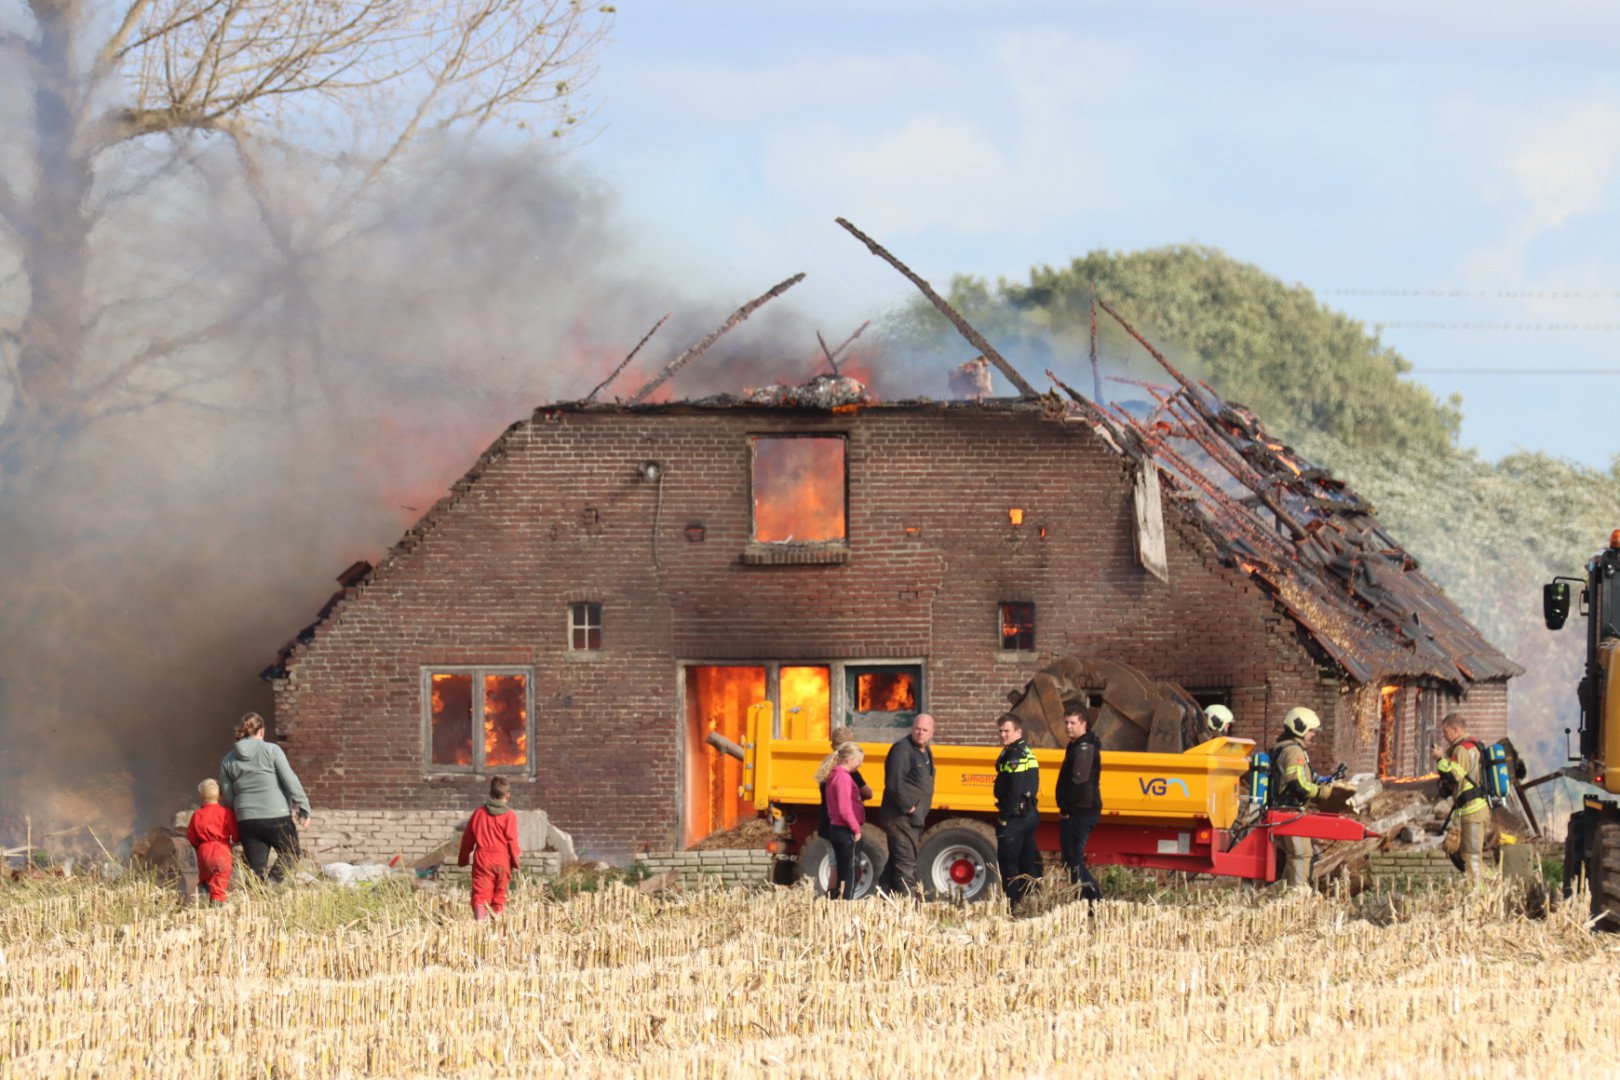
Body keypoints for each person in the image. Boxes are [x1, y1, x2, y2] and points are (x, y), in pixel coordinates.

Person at [219, 712, 311, 883]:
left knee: (255, 870)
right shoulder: (271, 750)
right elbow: (290, 780)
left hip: (246, 819)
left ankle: (260, 897)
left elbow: (228, 797)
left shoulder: (227, 760)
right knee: (291, 852)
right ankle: (272, 884)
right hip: (276, 815)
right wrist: (303, 807)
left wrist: (238, 818)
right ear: (261, 731)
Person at [878, 713, 935, 896]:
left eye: (925, 730)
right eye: (917, 729)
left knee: (895, 863)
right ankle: (909, 906)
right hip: (900, 818)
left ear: (931, 732)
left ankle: (882, 900)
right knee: (906, 864)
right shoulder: (902, 749)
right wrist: (909, 807)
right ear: (912, 728)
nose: (920, 733)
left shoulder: (926, 752)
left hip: (913, 820)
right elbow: (894, 783)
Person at [1270, 706, 1324, 889]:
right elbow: (1298, 785)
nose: (1313, 734)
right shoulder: (1294, 751)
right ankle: (1297, 894)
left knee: (1295, 855)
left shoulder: (1288, 748)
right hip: (1289, 810)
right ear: (1299, 728)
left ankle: (1283, 894)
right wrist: (1322, 792)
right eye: (1311, 730)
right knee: (1301, 854)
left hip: (1286, 810)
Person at [816, 727, 873, 896]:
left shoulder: (827, 766)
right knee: (844, 868)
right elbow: (867, 793)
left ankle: (831, 903)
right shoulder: (846, 772)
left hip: (827, 821)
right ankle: (835, 901)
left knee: (835, 864)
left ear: (832, 744)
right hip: (842, 822)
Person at [457, 776, 522, 920]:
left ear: (490, 793)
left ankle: (480, 923)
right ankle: (496, 923)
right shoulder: (510, 815)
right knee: (499, 894)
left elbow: (467, 838)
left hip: (483, 860)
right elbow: (512, 840)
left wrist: (463, 859)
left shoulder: (479, 813)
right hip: (502, 859)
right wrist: (516, 862)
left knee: (480, 894)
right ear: (507, 795)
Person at [1432, 712, 1488, 879]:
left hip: (1474, 812)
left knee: (1472, 857)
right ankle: (1488, 884)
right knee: (1461, 855)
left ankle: (1482, 893)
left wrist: (1440, 759)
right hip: (1469, 811)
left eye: (1445, 731)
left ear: (1455, 729)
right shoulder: (1469, 747)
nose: (1443, 735)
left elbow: (1452, 776)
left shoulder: (1463, 749)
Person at [994, 715, 1042, 907]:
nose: (1003, 734)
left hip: (1016, 817)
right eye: (1000, 731)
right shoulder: (1025, 751)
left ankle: (1012, 905)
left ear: (1018, 732)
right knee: (1026, 861)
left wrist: (1005, 817)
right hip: (1029, 813)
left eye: (1007, 731)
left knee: (1008, 863)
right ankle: (1031, 901)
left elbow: (1014, 789)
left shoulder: (1014, 754)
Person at [1055, 707, 1102, 900]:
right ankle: (1084, 899)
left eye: (1073, 723)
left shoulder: (1085, 747)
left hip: (1081, 811)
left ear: (1083, 724)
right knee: (1070, 857)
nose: (1068, 727)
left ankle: (1093, 899)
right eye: (1066, 722)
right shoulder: (1075, 746)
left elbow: (1079, 782)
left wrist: (1066, 808)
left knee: (1073, 857)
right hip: (1077, 810)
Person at [186, 778, 239, 906]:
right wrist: (236, 840)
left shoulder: (197, 814)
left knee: (205, 878)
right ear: (220, 796)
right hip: (222, 850)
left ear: (201, 797)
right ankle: (216, 908)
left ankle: (202, 895)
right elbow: (235, 833)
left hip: (204, 851)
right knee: (220, 882)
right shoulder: (226, 813)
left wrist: (200, 846)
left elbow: (191, 836)